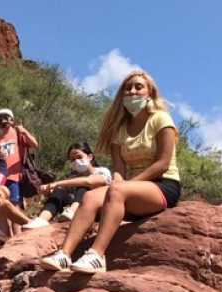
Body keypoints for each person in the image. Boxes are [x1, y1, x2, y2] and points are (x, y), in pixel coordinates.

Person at [39, 70, 182, 274]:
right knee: (89, 197)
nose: (132, 91)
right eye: (127, 88)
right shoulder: (119, 130)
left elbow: (163, 163)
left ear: (150, 93)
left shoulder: (161, 119)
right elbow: (119, 169)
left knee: (116, 191)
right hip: (131, 189)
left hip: (163, 186)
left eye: (138, 87)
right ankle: (64, 254)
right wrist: (119, 182)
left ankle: (97, 255)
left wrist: (123, 186)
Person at [22, 142, 113, 229]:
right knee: (60, 190)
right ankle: (43, 219)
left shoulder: (102, 171)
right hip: (81, 208)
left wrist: (56, 183)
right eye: (73, 160)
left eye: (79, 157)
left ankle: (73, 211)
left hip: (98, 207)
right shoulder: (73, 177)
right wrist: (50, 191)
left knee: (83, 186)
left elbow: (89, 182)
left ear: (90, 157)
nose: (76, 161)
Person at [0, 108, 38, 236]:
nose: (3, 120)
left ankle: (18, 237)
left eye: (6, 117)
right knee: (0, 206)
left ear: (12, 120)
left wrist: (24, 131)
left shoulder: (18, 133)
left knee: (14, 206)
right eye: (0, 118)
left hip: (14, 176)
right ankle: (4, 236)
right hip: (0, 176)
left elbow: (35, 144)